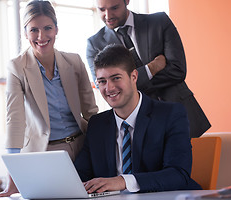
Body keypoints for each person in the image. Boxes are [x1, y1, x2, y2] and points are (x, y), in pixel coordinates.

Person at [0, 0, 98, 198]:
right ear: (25, 33)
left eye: (48, 28)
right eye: (34, 30)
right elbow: (15, 122)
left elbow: (91, 113)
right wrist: (13, 179)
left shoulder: (74, 62)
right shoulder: (17, 68)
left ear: (56, 29)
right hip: (45, 153)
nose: (41, 36)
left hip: (82, 148)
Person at [86, 0, 210, 138]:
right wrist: (152, 68)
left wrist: (132, 83)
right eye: (102, 9)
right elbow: (111, 90)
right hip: (140, 126)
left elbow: (178, 70)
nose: (108, 15)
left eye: (114, 7)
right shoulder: (95, 45)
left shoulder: (160, 22)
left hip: (183, 116)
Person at [74, 44, 201, 193]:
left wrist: (123, 181)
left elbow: (178, 174)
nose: (109, 88)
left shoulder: (170, 115)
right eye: (102, 81)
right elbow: (80, 175)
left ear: (134, 76)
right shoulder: (97, 124)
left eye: (116, 78)